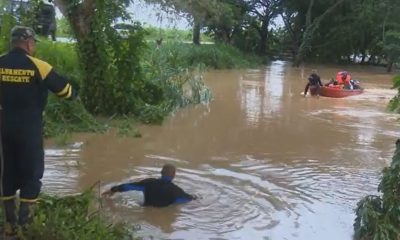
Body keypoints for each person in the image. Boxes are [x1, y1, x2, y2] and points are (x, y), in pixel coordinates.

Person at [0, 26, 77, 235]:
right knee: (31, 175)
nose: (33, 47)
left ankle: (9, 224)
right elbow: (66, 92)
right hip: (29, 130)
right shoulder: (39, 66)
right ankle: (25, 226)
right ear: (28, 43)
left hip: (3, 127)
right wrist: (74, 89)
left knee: (6, 174)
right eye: (33, 43)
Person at [102, 164, 197, 207]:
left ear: (161, 172)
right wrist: (196, 197)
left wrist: (113, 190)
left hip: (145, 208)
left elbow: (128, 187)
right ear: (174, 176)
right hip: (162, 214)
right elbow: (188, 199)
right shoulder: (177, 191)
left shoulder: (148, 183)